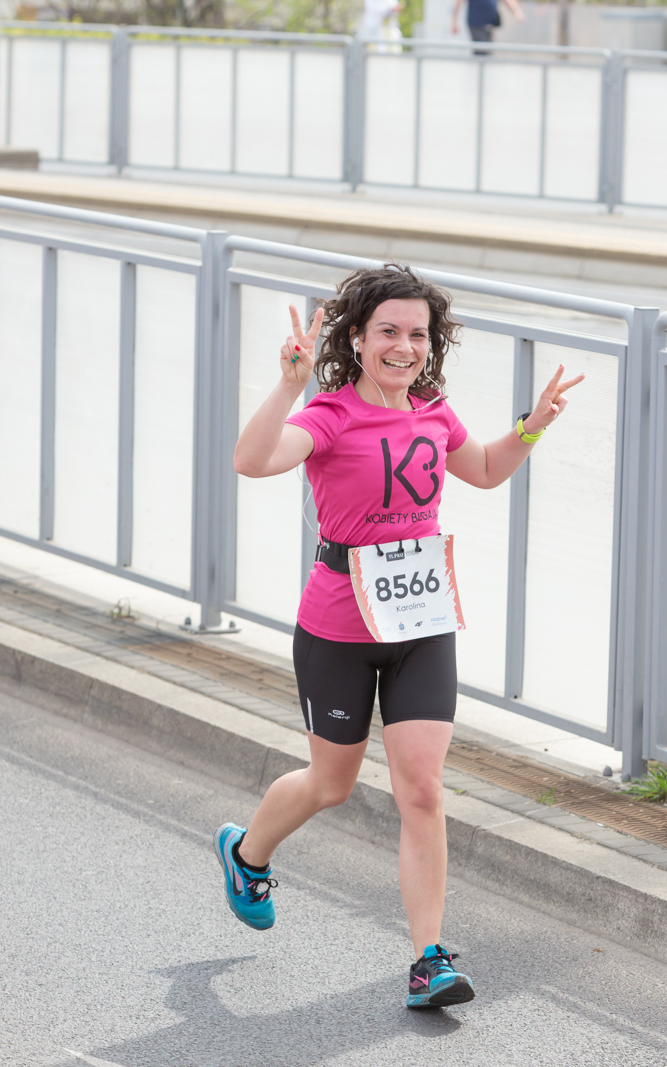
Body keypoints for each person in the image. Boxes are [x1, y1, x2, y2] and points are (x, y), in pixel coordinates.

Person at [221, 264, 582, 1009]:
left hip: (421, 622)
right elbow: (252, 461)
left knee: (422, 787)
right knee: (332, 783)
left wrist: (532, 425)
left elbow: (481, 468)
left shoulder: (432, 411)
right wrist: (288, 384)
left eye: (418, 334)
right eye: (388, 331)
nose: (404, 346)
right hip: (338, 627)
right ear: (356, 338)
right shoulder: (326, 414)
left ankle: (427, 958)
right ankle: (247, 852)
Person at [450, 0, 524, 54]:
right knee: (482, 51)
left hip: (490, 24)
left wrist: (516, 11)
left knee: (488, 51)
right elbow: (458, 2)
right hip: (476, 24)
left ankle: (483, 73)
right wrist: (454, 21)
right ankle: (479, 74)